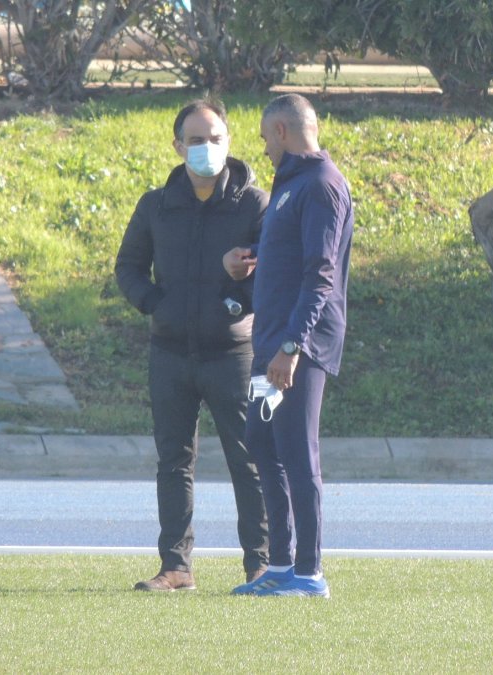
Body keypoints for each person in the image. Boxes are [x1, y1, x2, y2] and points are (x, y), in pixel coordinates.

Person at [116, 99, 270, 592]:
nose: (207, 148)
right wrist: (154, 303)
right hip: (170, 352)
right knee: (173, 462)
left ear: (230, 141)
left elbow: (275, 269)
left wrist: (234, 302)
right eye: (197, 140)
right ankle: (176, 566)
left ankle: (261, 564)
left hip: (232, 355)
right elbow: (128, 268)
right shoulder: (155, 204)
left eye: (216, 138)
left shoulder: (253, 204)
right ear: (178, 145)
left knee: (247, 460)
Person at [222, 93, 353, 598]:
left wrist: (294, 346)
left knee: (298, 451)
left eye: (263, 137)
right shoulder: (291, 186)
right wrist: (249, 257)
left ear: (281, 131)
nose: (264, 148)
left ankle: (309, 573)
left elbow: (320, 275)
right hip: (271, 342)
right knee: (262, 441)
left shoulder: (321, 186)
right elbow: (288, 250)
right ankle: (279, 566)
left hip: (298, 348)